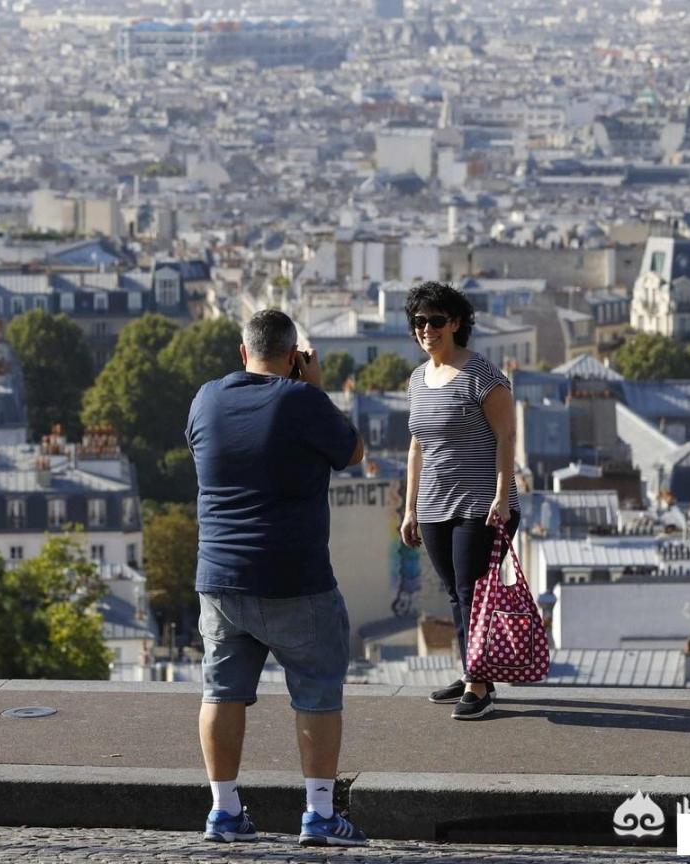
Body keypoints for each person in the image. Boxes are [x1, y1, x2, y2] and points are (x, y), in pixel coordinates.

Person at [186, 308, 368, 847]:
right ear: (293, 357)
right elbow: (354, 452)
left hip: (220, 577)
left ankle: (224, 810)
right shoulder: (302, 400)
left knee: (221, 692)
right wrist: (315, 389)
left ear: (243, 353)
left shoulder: (206, 399)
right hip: (296, 576)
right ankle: (318, 814)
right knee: (315, 694)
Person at [398, 281, 521, 721]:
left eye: (434, 320)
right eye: (418, 322)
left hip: (481, 502)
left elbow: (506, 437)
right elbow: (416, 447)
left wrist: (502, 498)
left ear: (455, 323)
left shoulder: (483, 376)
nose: (426, 329)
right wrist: (410, 508)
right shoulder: (417, 378)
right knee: (456, 592)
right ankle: (472, 671)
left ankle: (479, 683)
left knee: (474, 592)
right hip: (434, 504)